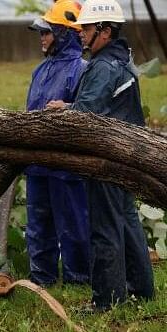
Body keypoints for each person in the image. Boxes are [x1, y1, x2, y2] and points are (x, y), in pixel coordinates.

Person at [47, 0, 154, 311]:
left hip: (107, 158)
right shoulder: (122, 60)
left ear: (105, 31)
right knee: (127, 222)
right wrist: (68, 106)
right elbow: (105, 105)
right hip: (128, 155)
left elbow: (87, 116)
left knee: (104, 228)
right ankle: (141, 288)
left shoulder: (103, 66)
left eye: (87, 29)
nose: (81, 34)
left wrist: (65, 114)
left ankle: (106, 300)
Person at [24, 0, 91, 287]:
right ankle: (42, 277)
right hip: (38, 164)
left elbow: (92, 114)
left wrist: (68, 107)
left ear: (64, 33)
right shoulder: (39, 71)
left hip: (68, 166)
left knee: (74, 223)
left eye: (47, 31)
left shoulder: (84, 69)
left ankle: (79, 279)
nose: (42, 37)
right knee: (38, 223)